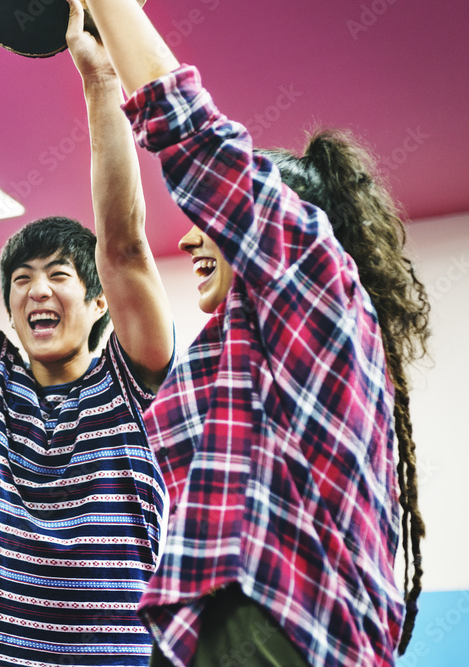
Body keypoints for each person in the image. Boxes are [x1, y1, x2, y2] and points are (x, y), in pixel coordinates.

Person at [83, 0, 431, 665]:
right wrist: (100, 73)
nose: (188, 237)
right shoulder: (237, 364)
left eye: (208, 221)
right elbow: (123, 254)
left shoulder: (318, 277)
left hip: (282, 630)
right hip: (229, 629)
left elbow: (197, 142)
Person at [0, 7, 174, 666]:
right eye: (22, 279)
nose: (36, 289)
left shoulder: (131, 385)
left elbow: (122, 245)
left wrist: (99, 83)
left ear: (96, 302)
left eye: (58, 275)